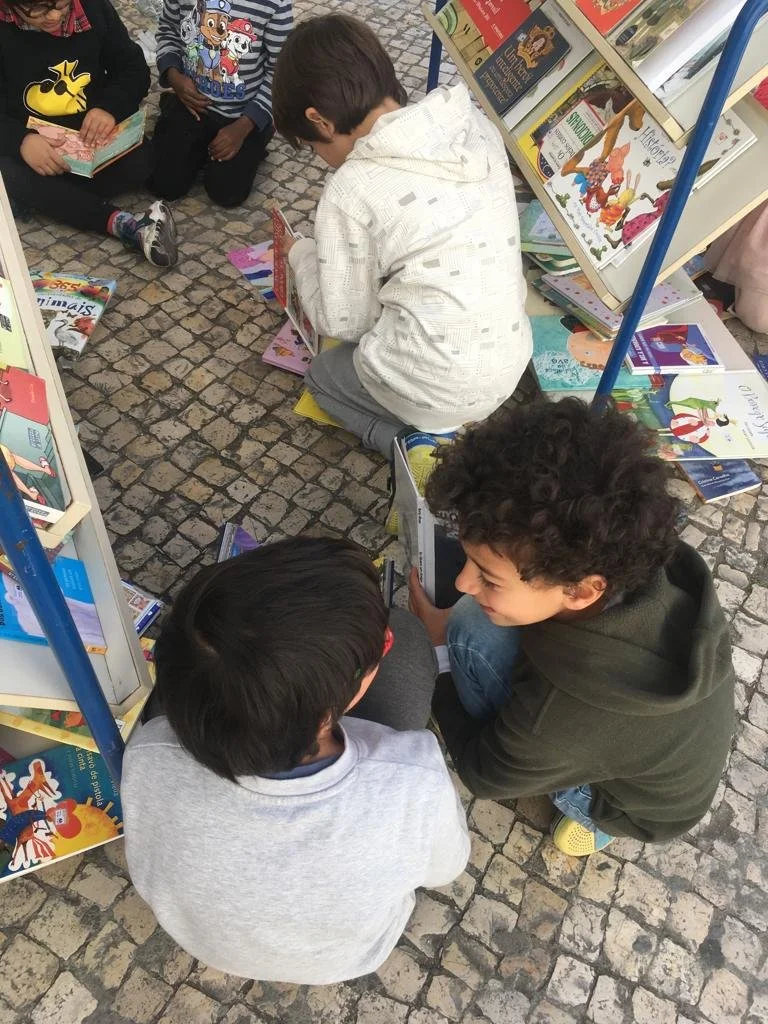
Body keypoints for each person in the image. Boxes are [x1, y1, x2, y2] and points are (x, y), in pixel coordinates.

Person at [122, 537, 469, 983]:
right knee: (410, 639)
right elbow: (445, 868)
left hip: (201, 939)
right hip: (347, 958)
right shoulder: (413, 779)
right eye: (380, 648)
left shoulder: (149, 751)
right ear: (332, 708)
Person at [408, 398, 735, 856]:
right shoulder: (629, 548)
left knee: (467, 631)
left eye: (488, 577)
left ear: (581, 591)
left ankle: (589, 813)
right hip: (648, 736)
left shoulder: (557, 717)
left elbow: (482, 773)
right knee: (473, 619)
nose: (463, 583)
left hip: (636, 806)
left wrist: (437, 652)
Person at [271, 14, 531, 457]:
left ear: (320, 121)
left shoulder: (352, 187)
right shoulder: (475, 126)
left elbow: (344, 322)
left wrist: (301, 254)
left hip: (431, 386)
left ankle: (420, 451)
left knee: (322, 378)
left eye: (313, 146)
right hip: (507, 367)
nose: (320, 157)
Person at [0, 0, 177, 267]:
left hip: (89, 141)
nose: (54, 16)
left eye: (62, 5)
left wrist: (109, 108)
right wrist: (21, 140)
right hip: (32, 147)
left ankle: (45, 197)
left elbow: (133, 69)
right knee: (8, 174)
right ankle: (123, 224)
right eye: (40, 10)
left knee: (142, 158)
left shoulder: (92, 9)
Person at [150, 0, 292, 207]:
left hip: (243, 115)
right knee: (163, 185)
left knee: (227, 193)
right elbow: (168, 31)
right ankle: (178, 119)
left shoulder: (275, 4)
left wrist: (246, 124)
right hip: (191, 105)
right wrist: (173, 76)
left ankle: (261, 131)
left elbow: (281, 70)